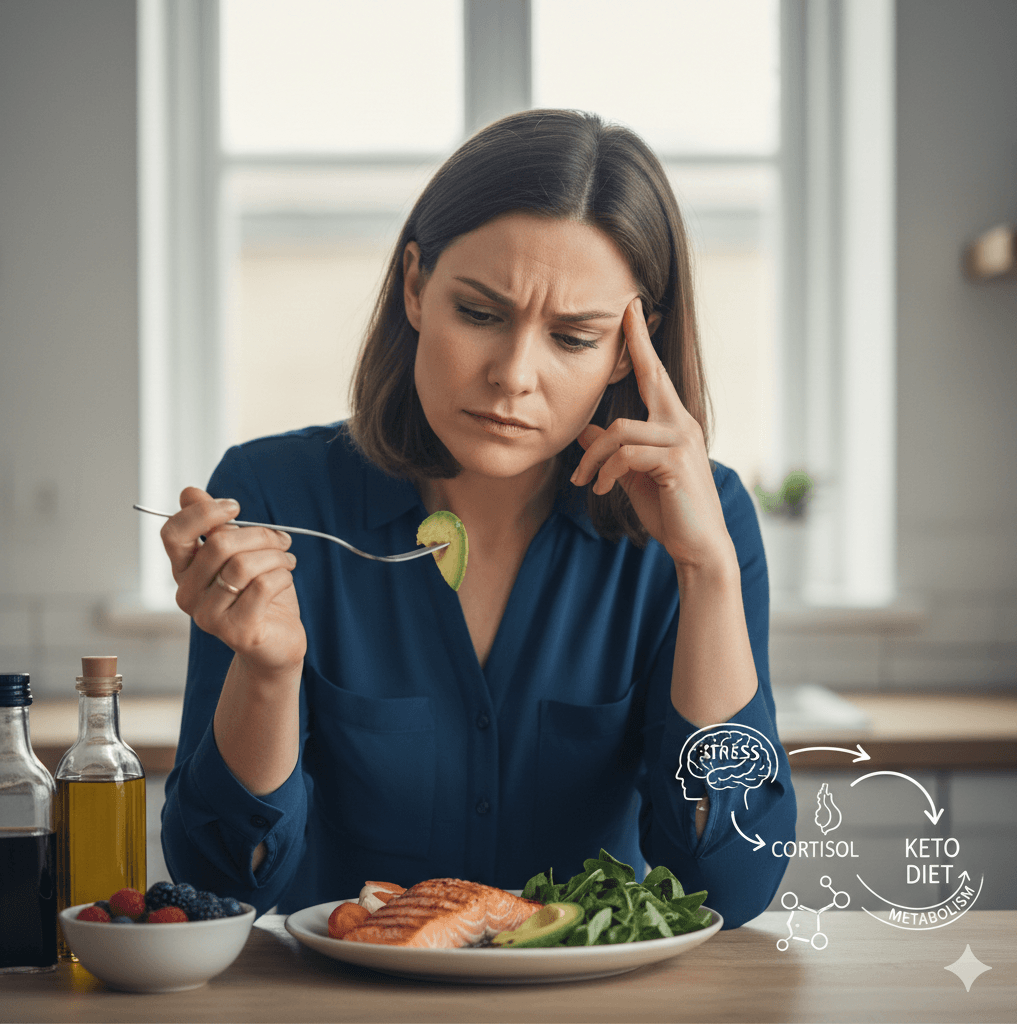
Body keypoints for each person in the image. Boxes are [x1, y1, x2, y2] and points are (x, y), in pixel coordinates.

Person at [159, 109, 796, 929]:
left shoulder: (704, 525)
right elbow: (222, 882)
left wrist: (706, 573)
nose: (513, 376)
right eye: (482, 314)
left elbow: (732, 884)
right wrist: (270, 672)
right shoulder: (272, 500)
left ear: (630, 349)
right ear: (416, 285)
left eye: (572, 337)